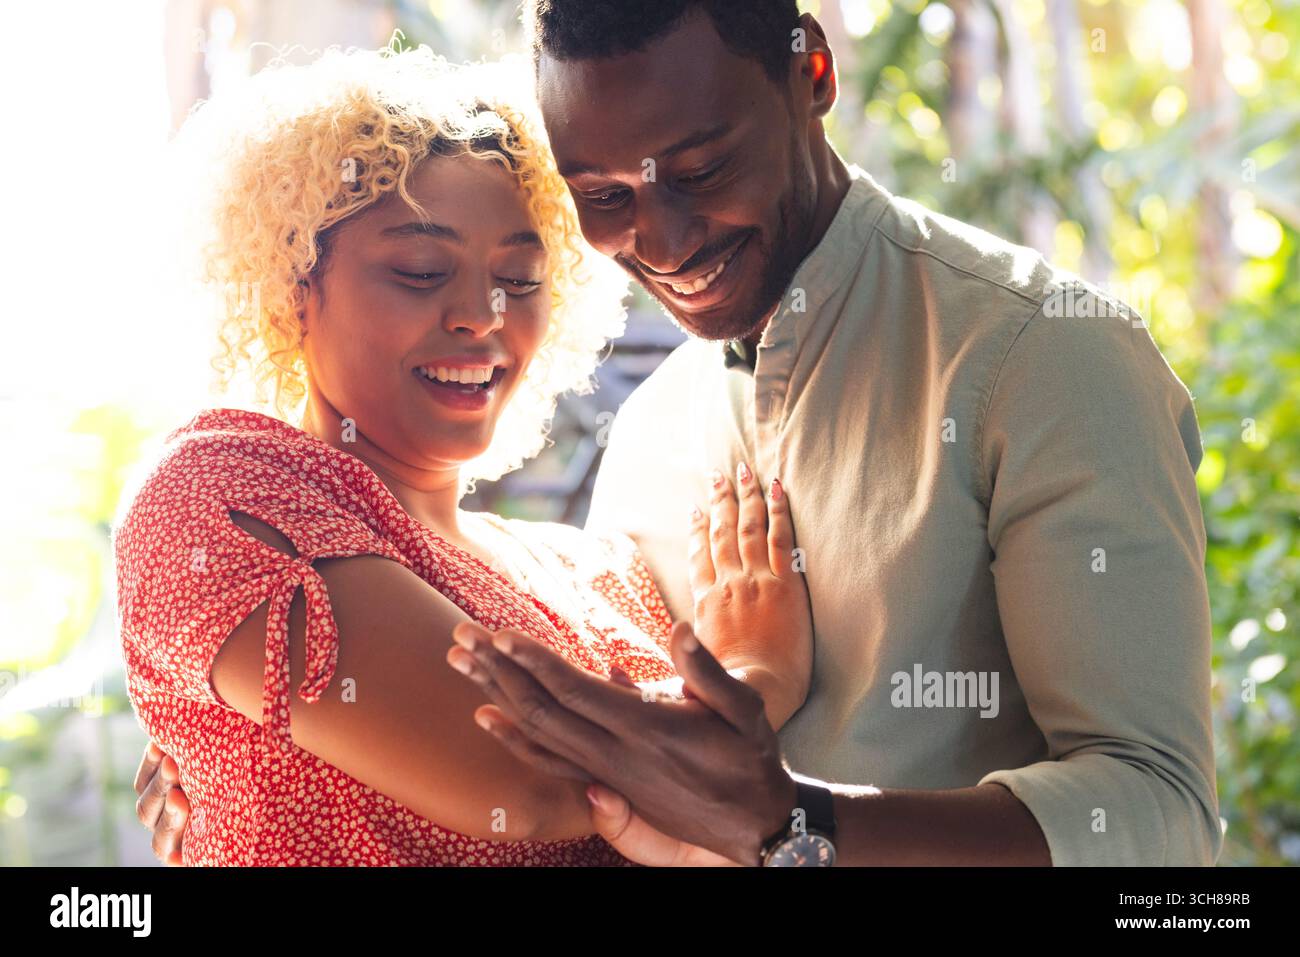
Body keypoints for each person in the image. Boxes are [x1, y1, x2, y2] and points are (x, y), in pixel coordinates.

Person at [139, 0, 1221, 867]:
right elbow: (549, 773)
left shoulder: (1044, 357)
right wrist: (247, 759)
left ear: (813, 78)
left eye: (700, 171)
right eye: (598, 193)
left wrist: (809, 833)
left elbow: (1154, 815)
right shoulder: (655, 436)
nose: (657, 237)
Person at [118, 43, 812, 865]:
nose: (482, 315)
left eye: (519, 281)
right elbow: (517, 784)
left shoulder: (595, 569)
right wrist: (754, 678)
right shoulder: (212, 489)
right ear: (294, 286)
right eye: (419, 270)